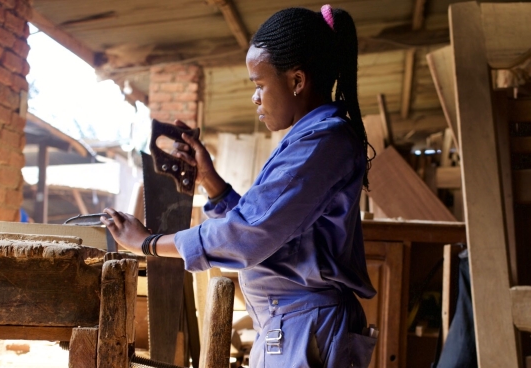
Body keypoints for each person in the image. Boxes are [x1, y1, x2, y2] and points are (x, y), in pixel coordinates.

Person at [102, 5, 377, 367]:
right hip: (290, 323)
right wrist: (211, 181)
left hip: (306, 326)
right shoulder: (309, 139)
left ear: (297, 81)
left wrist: (147, 243)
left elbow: (247, 235)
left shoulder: (322, 143)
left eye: (260, 85)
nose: (255, 98)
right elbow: (268, 226)